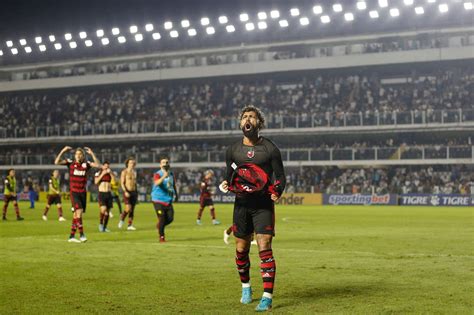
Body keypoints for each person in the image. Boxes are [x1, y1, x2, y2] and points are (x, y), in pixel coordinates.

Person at [220, 105, 285, 312]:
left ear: (259, 123)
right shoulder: (232, 150)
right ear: (241, 123)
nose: (248, 119)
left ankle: (267, 297)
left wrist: (278, 190)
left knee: (264, 245)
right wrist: (224, 183)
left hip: (263, 205)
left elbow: (280, 176)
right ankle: (246, 287)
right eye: (245, 116)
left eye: (252, 117)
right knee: (241, 249)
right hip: (241, 205)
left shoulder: (270, 149)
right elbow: (229, 175)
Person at [55, 146, 101, 243]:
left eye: (80, 154)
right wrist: (63, 150)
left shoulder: (86, 164)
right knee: (79, 212)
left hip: (83, 193)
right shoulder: (70, 163)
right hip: (74, 192)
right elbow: (56, 162)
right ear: (75, 155)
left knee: (76, 215)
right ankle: (82, 235)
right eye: (77, 154)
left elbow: (98, 165)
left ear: (83, 156)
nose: (78, 156)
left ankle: (71, 236)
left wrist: (92, 153)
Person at [151, 157, 178, 243]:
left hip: (168, 200)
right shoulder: (157, 174)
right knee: (162, 218)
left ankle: (160, 226)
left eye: (166, 162)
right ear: (160, 165)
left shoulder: (171, 174)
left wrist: (176, 195)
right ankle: (161, 237)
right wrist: (164, 177)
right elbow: (157, 183)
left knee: (170, 219)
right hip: (158, 199)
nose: (165, 164)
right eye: (163, 162)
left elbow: (173, 185)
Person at [95, 161, 115, 232]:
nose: (106, 167)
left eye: (108, 166)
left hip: (109, 194)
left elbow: (114, 181)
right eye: (105, 166)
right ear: (102, 166)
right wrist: (102, 174)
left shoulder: (110, 173)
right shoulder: (98, 172)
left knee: (107, 212)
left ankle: (105, 227)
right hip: (102, 193)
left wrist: (111, 173)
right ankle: (100, 224)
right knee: (103, 209)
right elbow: (96, 182)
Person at [118, 157, 138, 231]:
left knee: (132, 209)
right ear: (127, 164)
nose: (132, 164)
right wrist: (125, 191)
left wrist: (136, 192)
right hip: (127, 191)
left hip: (134, 192)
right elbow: (122, 183)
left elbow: (135, 183)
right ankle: (122, 220)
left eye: (133, 163)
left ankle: (130, 225)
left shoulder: (134, 172)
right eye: (130, 163)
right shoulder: (124, 172)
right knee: (128, 208)